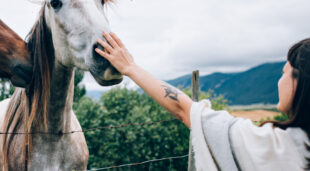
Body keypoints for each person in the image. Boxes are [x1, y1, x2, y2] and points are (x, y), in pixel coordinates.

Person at [96, 32, 310, 171]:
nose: (279, 80)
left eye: (284, 72)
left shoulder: (275, 148)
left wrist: (130, 68)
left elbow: (183, 109)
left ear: (301, 83)